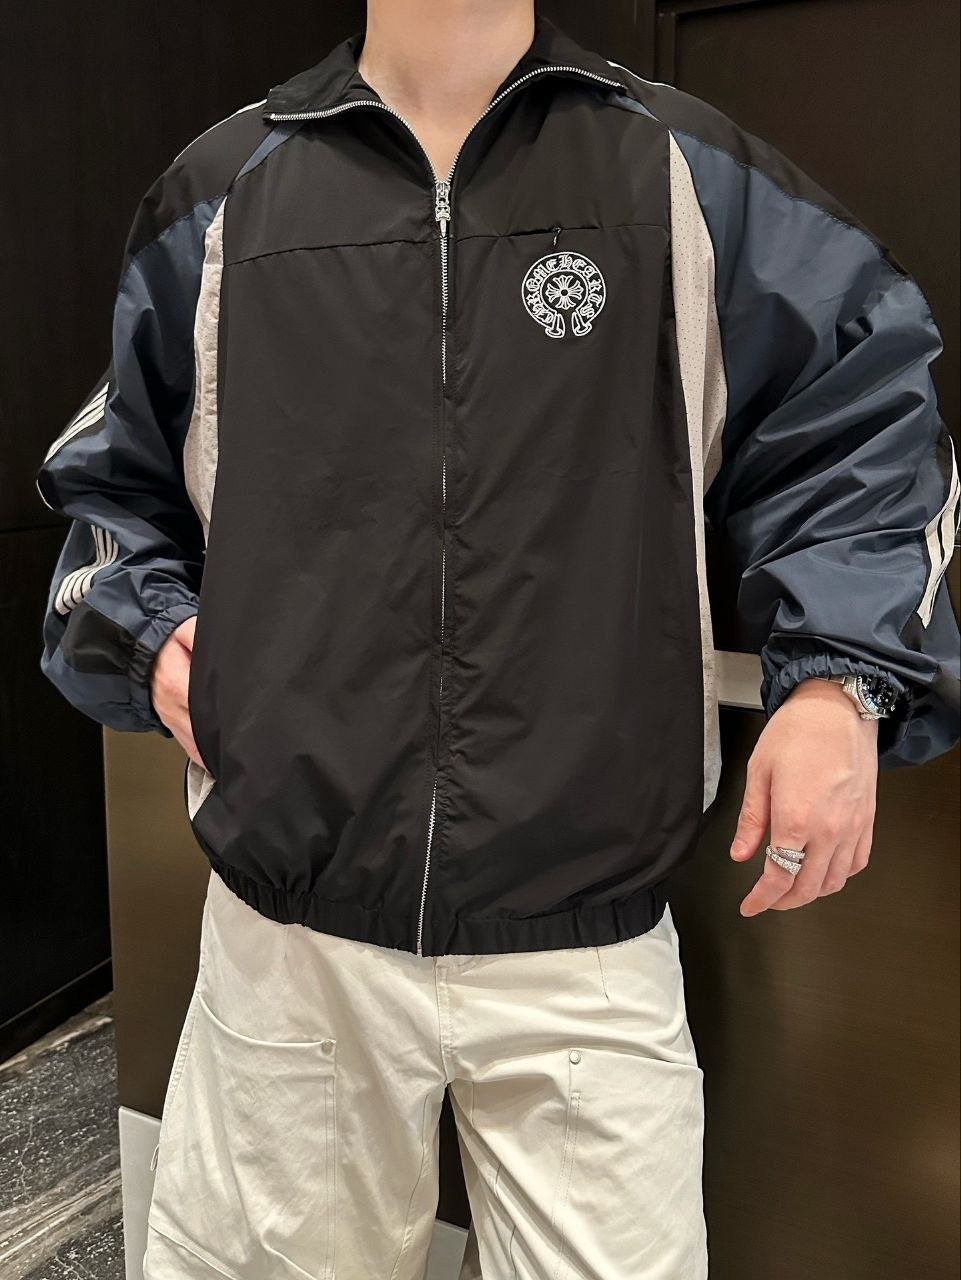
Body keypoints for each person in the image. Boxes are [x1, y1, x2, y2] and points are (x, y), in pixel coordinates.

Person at [37, 2, 959, 1276]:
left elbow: (865, 416)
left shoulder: (683, 172)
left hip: (585, 941)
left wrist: (839, 679)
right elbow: (111, 484)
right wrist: (153, 634)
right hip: (294, 937)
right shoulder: (221, 192)